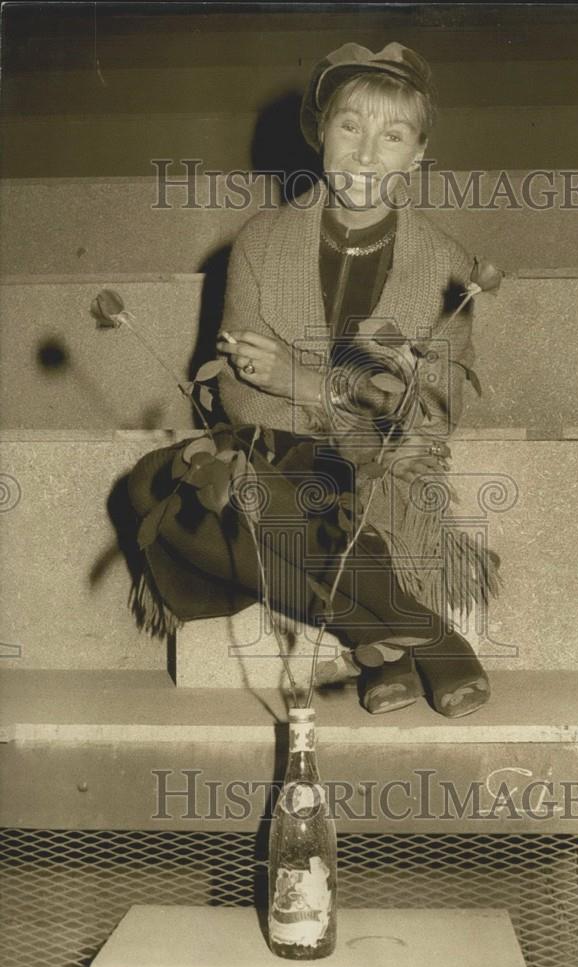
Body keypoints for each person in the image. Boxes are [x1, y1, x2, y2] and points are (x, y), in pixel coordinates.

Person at [127, 41, 501, 717]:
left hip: (371, 468)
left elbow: (427, 417)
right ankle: (398, 626)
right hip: (270, 457)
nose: (364, 154)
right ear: (319, 133)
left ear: (417, 156)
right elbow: (238, 391)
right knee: (151, 486)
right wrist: (346, 391)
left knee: (291, 486)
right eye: (349, 127)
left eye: (391, 136)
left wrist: (307, 381)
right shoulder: (260, 240)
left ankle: (379, 633)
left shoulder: (445, 265)